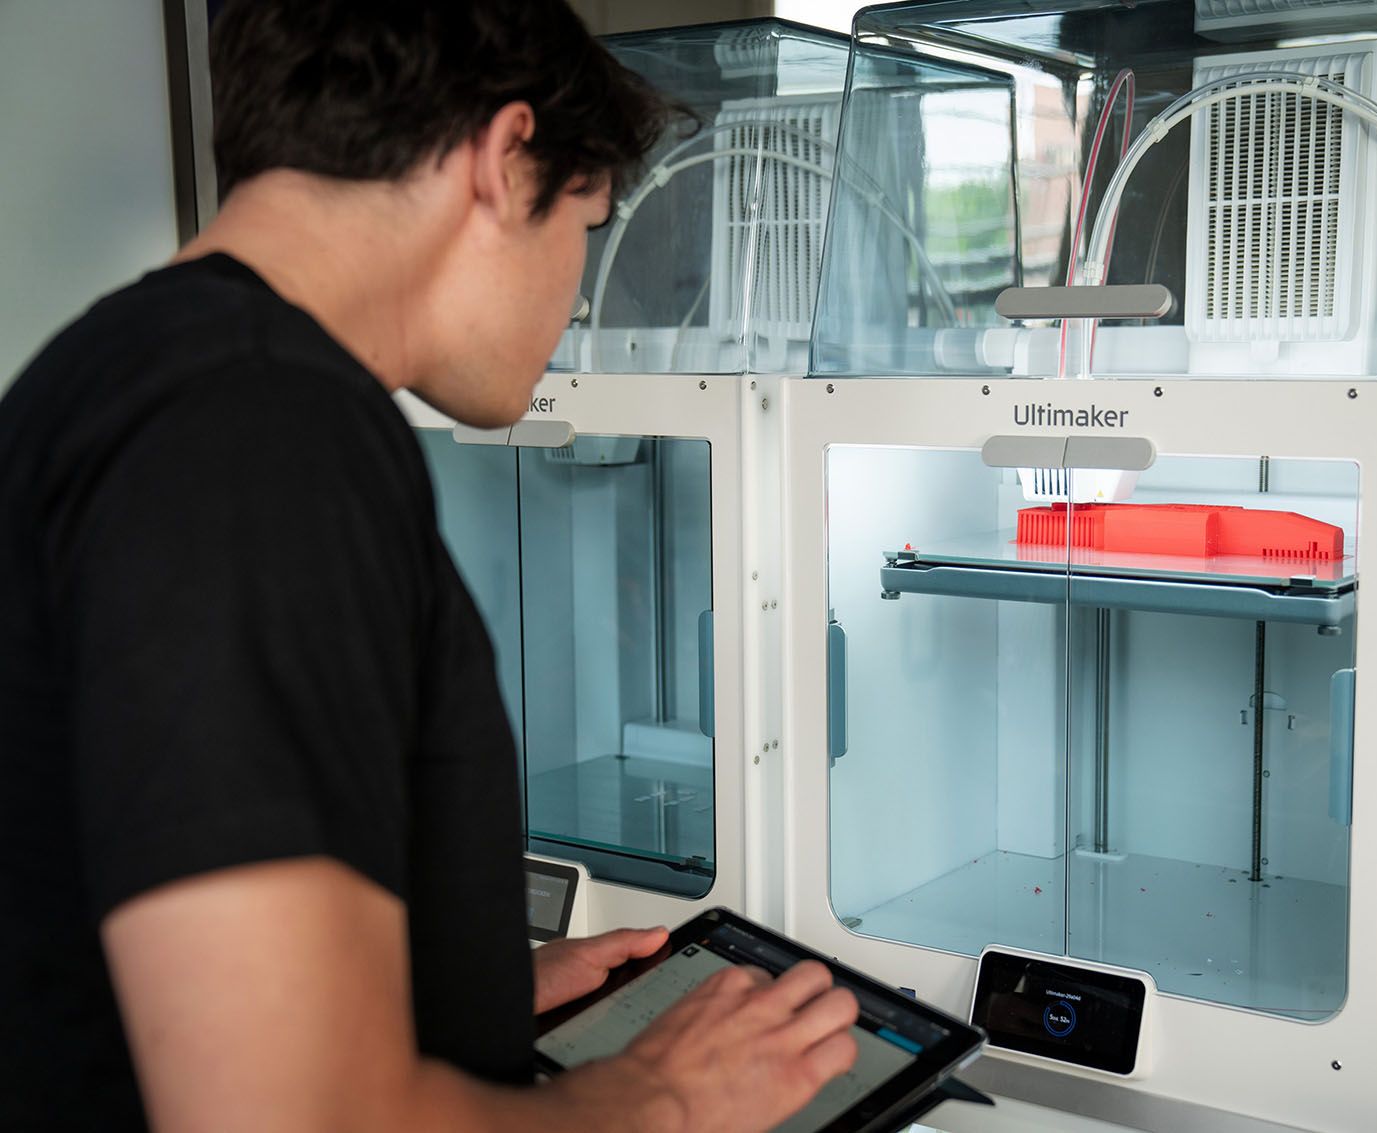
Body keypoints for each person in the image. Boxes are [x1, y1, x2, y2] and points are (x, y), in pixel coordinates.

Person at [0, 2, 859, 1130]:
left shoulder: (115, 375)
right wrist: (665, 1094)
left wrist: (463, 997)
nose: (572, 300)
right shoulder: (258, 436)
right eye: (587, 227)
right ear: (505, 161)